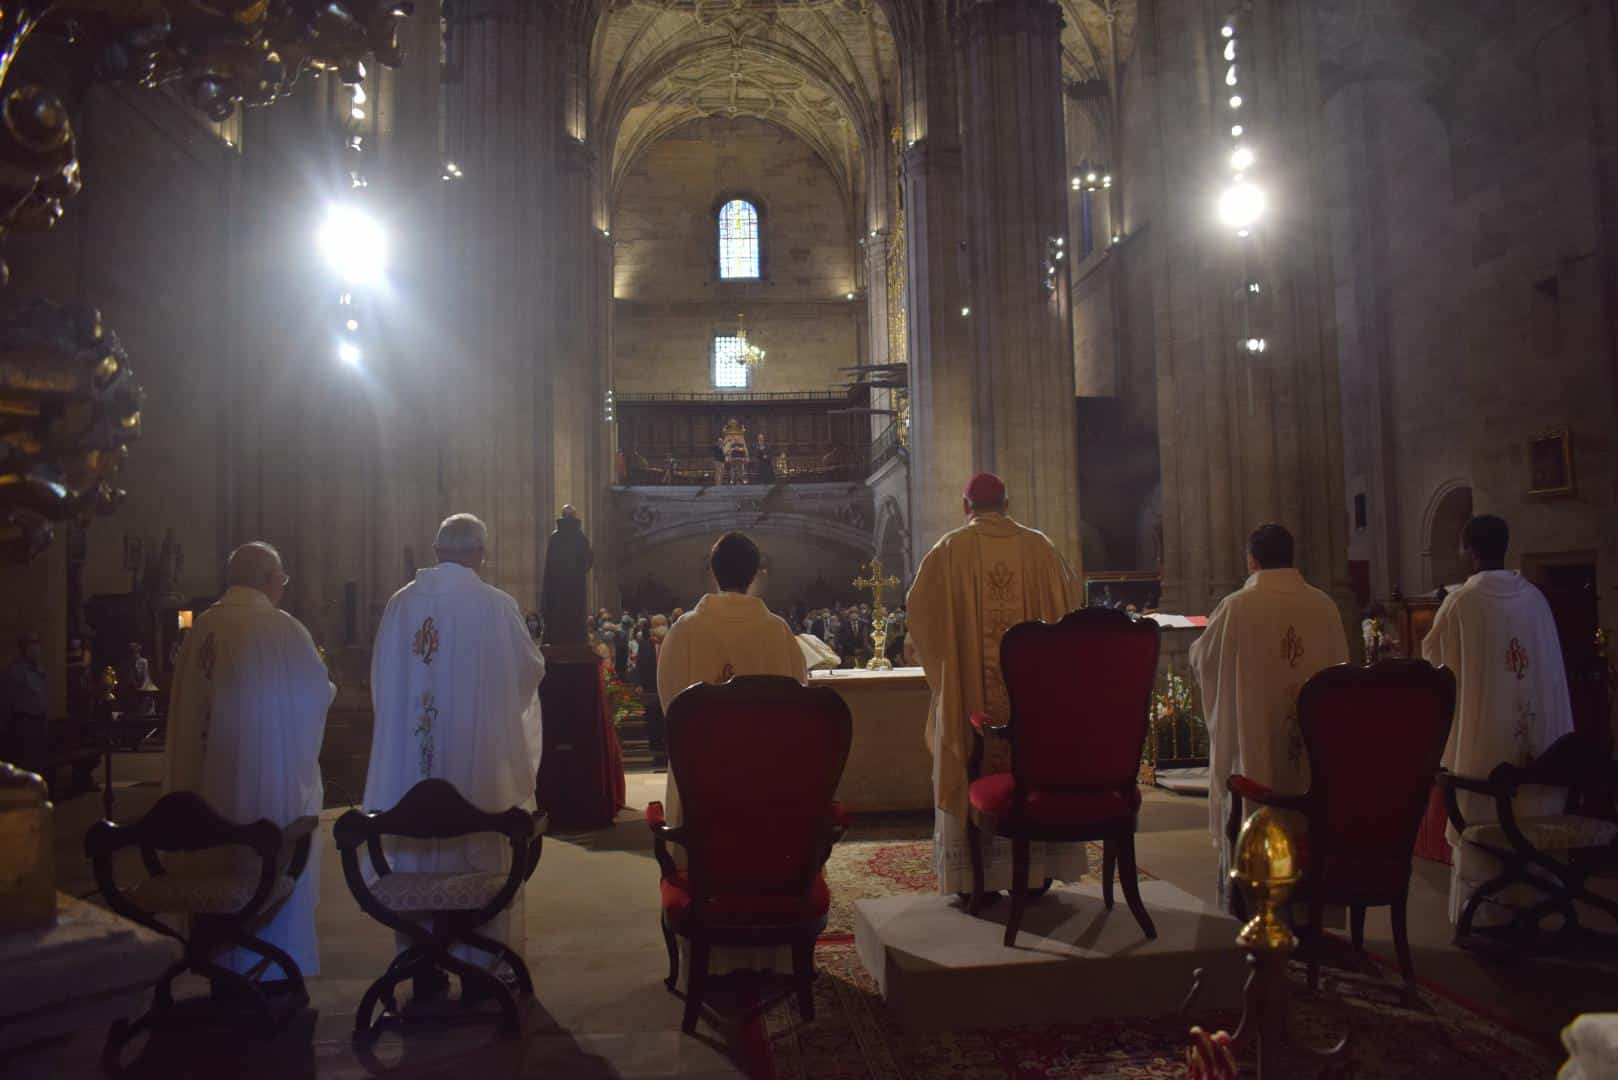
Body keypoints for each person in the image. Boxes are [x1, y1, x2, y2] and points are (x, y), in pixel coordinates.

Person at [366, 513, 545, 1000]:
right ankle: (480, 967)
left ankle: (422, 965)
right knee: (479, 853)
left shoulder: (400, 605)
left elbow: (382, 681)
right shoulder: (495, 605)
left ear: (436, 550)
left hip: (411, 769)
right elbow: (528, 672)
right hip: (478, 768)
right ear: (480, 553)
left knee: (417, 857)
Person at [906, 472, 1086, 896]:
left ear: (965, 507)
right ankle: (1036, 871)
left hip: (972, 700)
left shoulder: (949, 550)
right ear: (1007, 504)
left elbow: (920, 614)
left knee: (970, 752)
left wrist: (948, 670)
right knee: (1032, 761)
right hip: (1032, 703)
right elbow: (1071, 607)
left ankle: (975, 879)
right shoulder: (1041, 549)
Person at [165, 542, 334, 981]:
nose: (283, 586)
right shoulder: (283, 629)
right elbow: (317, 695)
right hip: (266, 790)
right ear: (270, 579)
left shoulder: (202, 627)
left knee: (217, 862)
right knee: (269, 849)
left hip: (205, 790)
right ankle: (270, 970)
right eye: (282, 578)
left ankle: (218, 966)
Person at [1421, 513, 1573, 925]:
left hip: (1484, 767)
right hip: (1543, 764)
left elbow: (1434, 666)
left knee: (1483, 805)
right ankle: (1541, 907)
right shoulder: (1536, 599)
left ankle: (1489, 916)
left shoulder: (1461, 603)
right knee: (1532, 808)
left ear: (1469, 550)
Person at [1189, 523, 1349, 912]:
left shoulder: (1238, 607)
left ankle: (1256, 901)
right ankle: (1311, 902)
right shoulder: (1325, 606)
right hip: (1314, 761)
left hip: (1256, 755)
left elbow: (1204, 660)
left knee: (1256, 776)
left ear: (1252, 560)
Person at [656, 531, 808, 826]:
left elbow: (671, 705)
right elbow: (799, 698)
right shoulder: (778, 631)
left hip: (699, 776)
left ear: (713, 572)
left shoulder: (683, 630)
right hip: (765, 773)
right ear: (754, 574)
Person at [541, 505, 593, 647]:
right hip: (575, 587)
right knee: (575, 614)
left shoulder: (555, 537)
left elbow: (549, 565)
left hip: (558, 588)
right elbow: (589, 560)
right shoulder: (580, 537)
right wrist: (579, 571)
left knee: (558, 614)